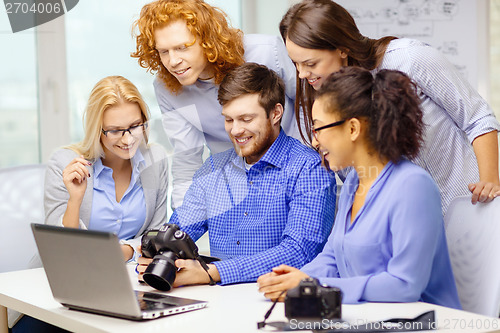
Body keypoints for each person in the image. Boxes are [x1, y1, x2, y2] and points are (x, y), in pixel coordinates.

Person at [257, 67, 461, 309]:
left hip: (421, 322)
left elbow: (405, 285)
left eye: (319, 128)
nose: (314, 141)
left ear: (353, 128)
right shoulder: (354, 179)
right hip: (367, 317)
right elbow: (332, 255)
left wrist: (316, 284)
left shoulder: (413, 186)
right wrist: (294, 280)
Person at [279, 0, 500, 214]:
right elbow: (359, 177)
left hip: (471, 205)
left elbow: (477, 117)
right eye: (295, 64)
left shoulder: (408, 59)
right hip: (409, 223)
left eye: (310, 64)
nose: (302, 74)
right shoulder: (326, 101)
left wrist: (489, 180)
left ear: (342, 49)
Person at [137, 63, 336, 286]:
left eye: (246, 119)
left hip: (278, 302)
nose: (235, 130)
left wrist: (213, 272)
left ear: (276, 113)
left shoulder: (309, 169)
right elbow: (179, 230)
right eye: (229, 119)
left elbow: (299, 251)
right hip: (218, 303)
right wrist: (157, 252)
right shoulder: (213, 169)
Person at [131, 0, 300, 209]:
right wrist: (180, 227)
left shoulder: (267, 52)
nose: (173, 61)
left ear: (207, 39)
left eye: (182, 48)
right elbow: (187, 160)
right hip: (237, 189)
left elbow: (310, 107)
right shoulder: (167, 89)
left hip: (297, 171)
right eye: (163, 52)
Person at [44, 75, 169, 262]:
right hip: (68, 272)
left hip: (129, 275)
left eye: (135, 126)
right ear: (97, 129)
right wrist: (75, 201)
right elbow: (58, 247)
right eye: (115, 131)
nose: (127, 140)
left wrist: (126, 251)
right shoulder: (64, 163)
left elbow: (157, 234)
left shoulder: (156, 159)